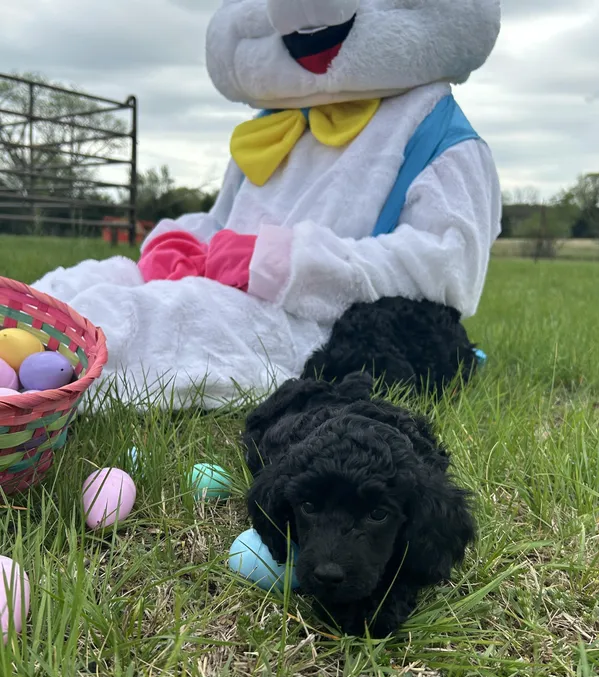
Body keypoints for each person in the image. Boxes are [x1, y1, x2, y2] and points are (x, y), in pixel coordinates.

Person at [34, 0, 502, 410]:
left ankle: (37, 391)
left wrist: (288, 262)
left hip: (319, 321)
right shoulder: (274, 122)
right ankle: (24, 335)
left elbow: (446, 270)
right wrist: (183, 241)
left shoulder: (438, 134)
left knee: (149, 319)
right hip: (228, 288)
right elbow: (225, 219)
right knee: (72, 287)